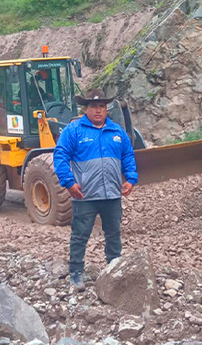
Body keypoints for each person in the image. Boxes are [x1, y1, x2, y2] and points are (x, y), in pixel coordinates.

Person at [53, 88, 138, 291]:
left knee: (113, 234)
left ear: (106, 108)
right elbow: (60, 155)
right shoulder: (73, 131)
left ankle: (113, 270)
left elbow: (128, 156)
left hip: (111, 195)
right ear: (86, 108)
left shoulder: (117, 132)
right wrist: (68, 182)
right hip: (85, 195)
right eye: (94, 106)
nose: (98, 110)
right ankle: (75, 274)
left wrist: (131, 179)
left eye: (102, 106)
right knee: (80, 235)